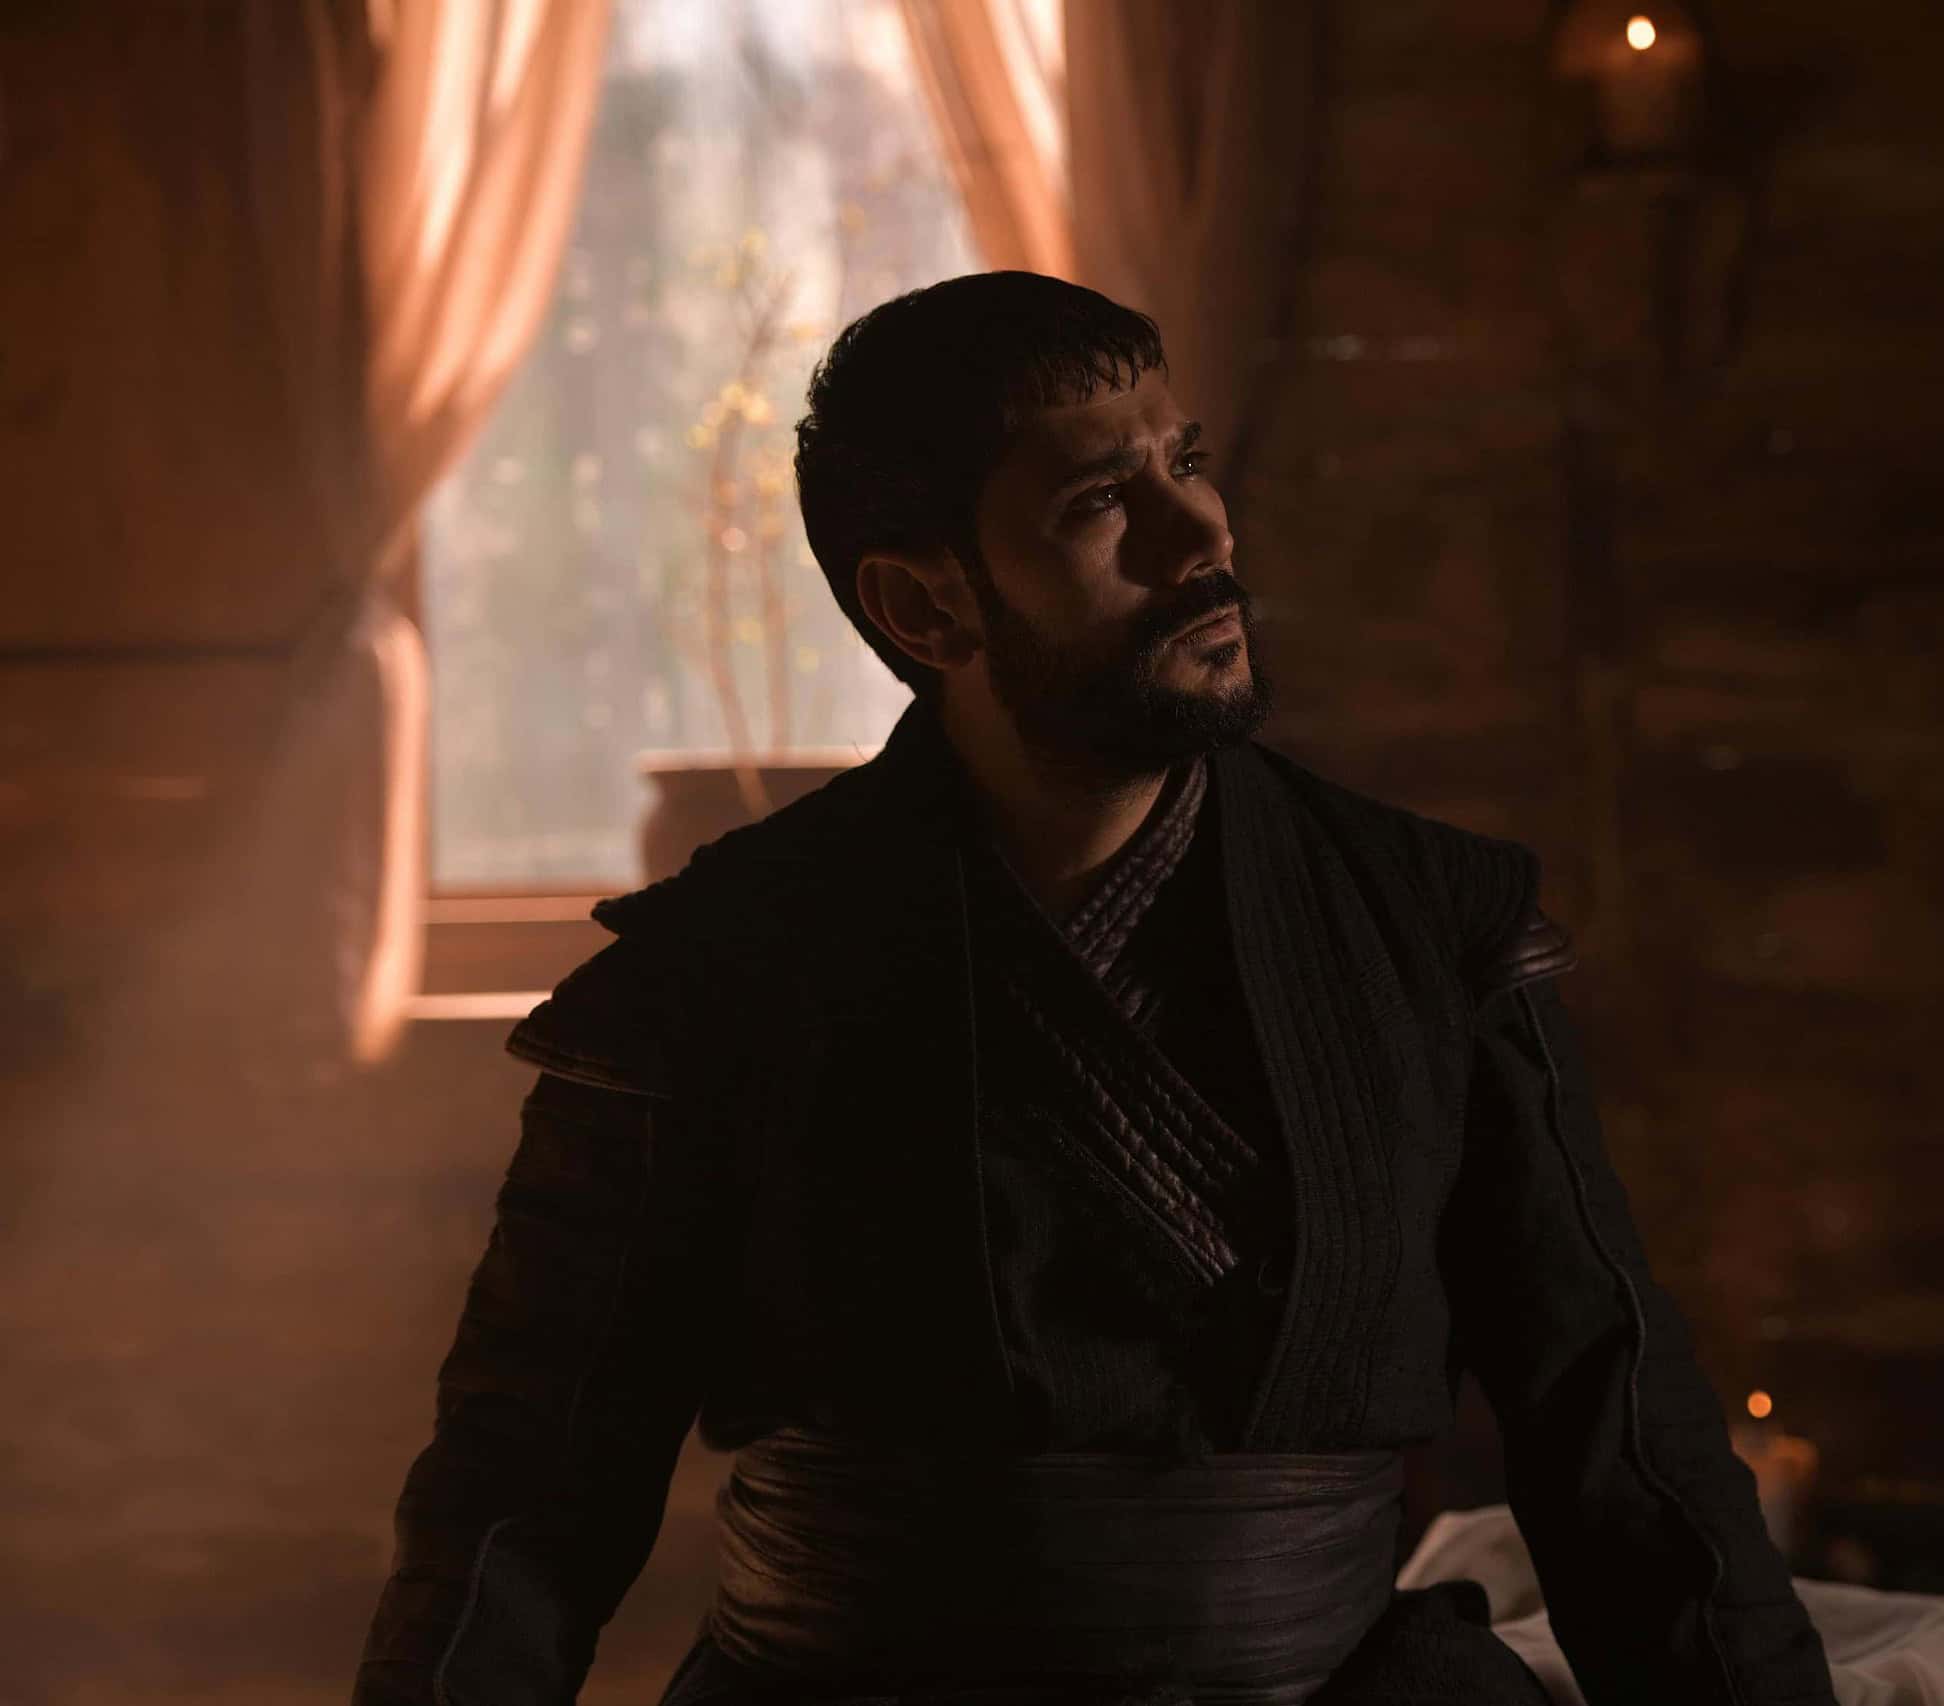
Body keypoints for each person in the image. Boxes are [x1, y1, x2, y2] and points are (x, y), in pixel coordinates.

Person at [354, 272, 1836, 1706]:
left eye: (1185, 462)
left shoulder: (1427, 923)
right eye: (1098, 502)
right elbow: (527, 1485)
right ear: (926, 606)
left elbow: (1613, 1425)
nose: (1201, 533)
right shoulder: (720, 971)